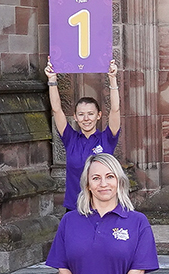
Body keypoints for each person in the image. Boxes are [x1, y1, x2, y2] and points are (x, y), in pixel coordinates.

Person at [44, 59, 121, 212]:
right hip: (75, 207)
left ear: (98, 115)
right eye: (81, 114)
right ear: (75, 117)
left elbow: (115, 110)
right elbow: (57, 110)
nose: (86, 119)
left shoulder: (107, 138)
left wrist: (112, 79)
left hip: (103, 207)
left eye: (90, 114)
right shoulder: (70, 139)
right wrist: (52, 80)